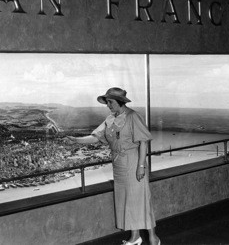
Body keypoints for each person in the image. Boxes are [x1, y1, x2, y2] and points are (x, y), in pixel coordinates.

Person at [66, 87, 161, 245]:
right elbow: (95, 137)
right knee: (126, 200)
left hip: (133, 161)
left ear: (120, 102)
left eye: (110, 102)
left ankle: (153, 237)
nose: (108, 105)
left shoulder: (132, 116)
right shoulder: (110, 119)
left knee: (141, 200)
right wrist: (75, 140)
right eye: (107, 102)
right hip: (118, 164)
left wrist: (141, 166)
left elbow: (143, 142)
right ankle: (135, 237)